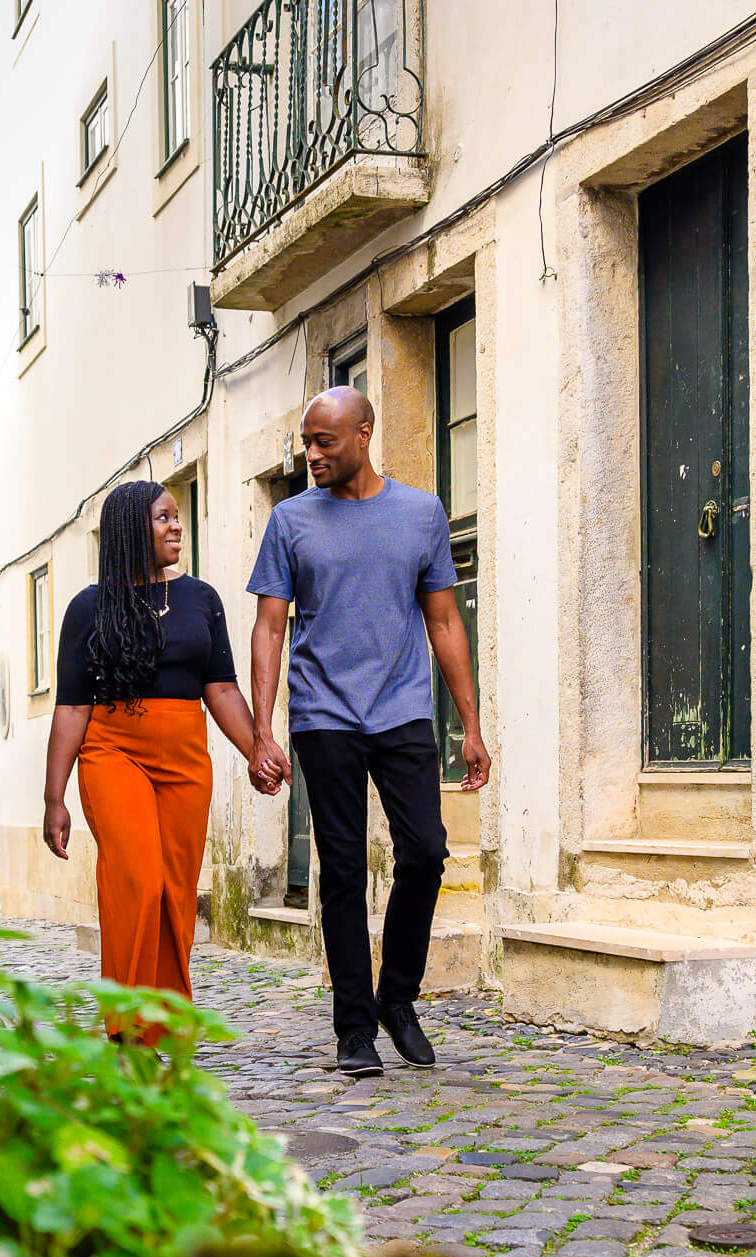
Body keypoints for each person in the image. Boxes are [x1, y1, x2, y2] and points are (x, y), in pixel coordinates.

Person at [247, 386, 489, 1077]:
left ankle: (398, 997)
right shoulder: (291, 521)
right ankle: (354, 1027)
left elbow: (444, 620)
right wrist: (263, 731)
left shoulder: (419, 513)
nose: (311, 453)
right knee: (344, 870)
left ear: (364, 435)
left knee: (426, 852)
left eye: (324, 441)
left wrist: (470, 724)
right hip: (324, 714)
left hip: (404, 710)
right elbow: (269, 626)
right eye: (306, 440)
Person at [42, 481, 259, 1042]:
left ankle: (161, 1020)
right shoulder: (88, 608)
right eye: (163, 517)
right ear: (131, 529)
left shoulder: (201, 599)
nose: (176, 526)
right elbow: (70, 707)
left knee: (177, 887)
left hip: (185, 754)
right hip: (113, 750)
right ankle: (126, 1022)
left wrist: (260, 745)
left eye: (177, 516)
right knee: (136, 878)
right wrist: (54, 797)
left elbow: (222, 689)